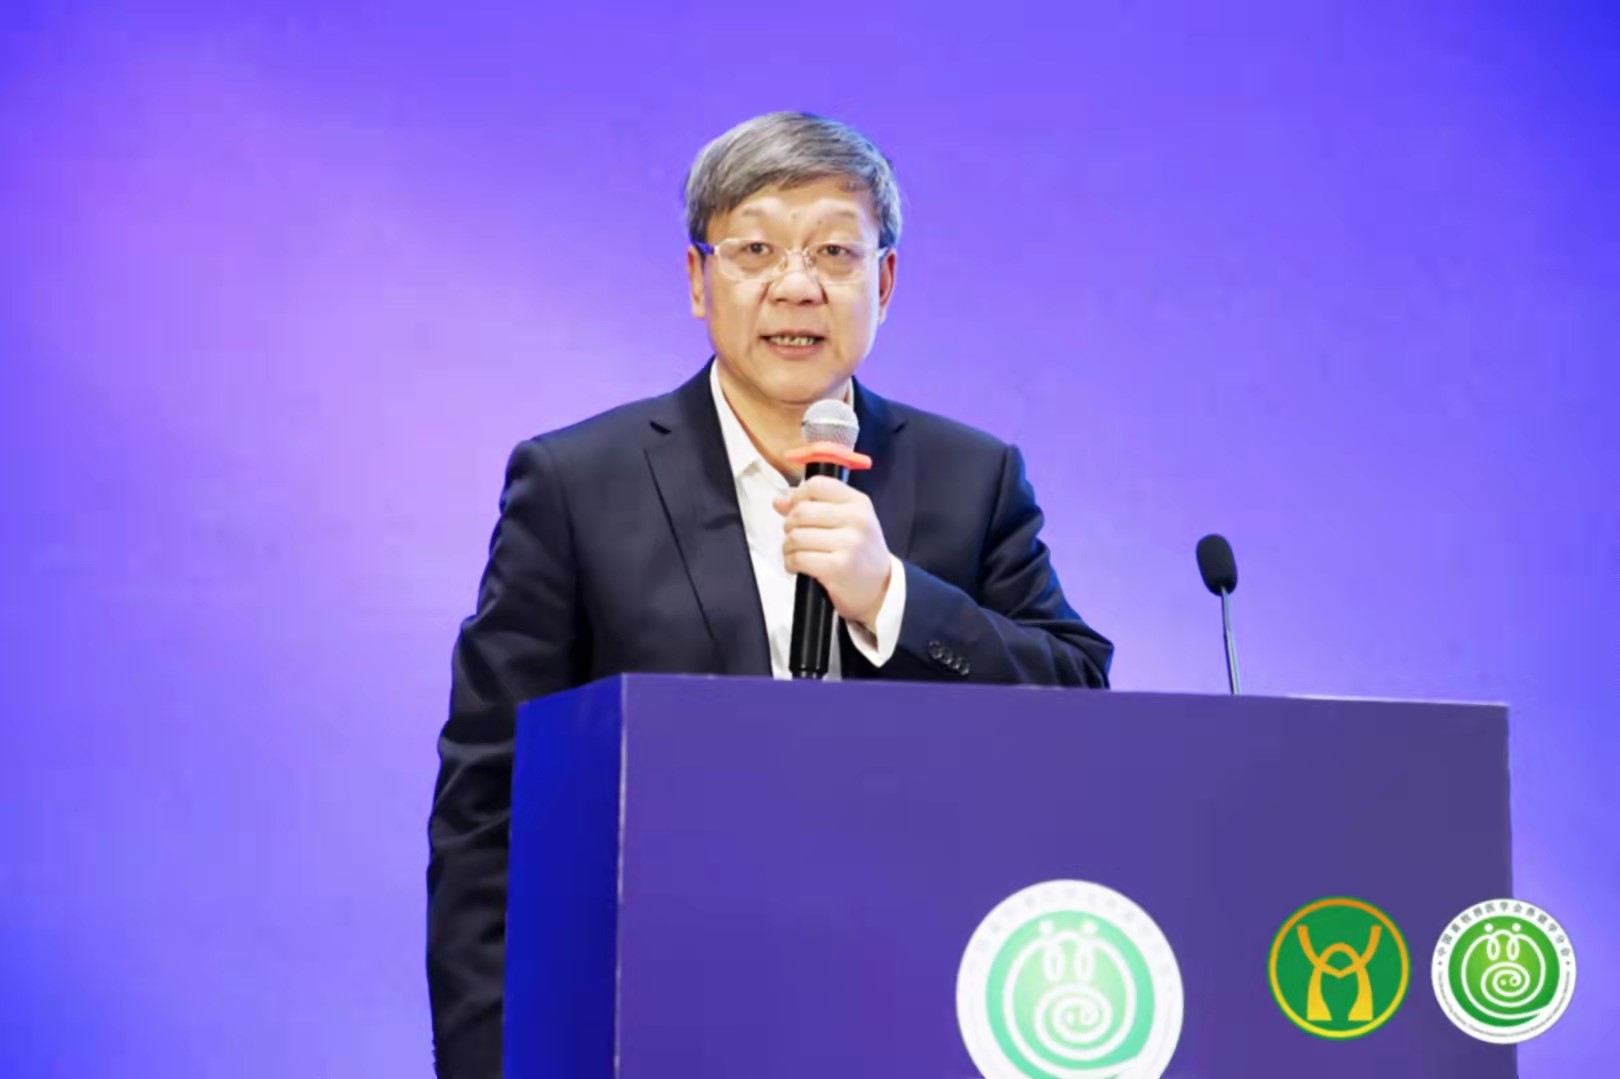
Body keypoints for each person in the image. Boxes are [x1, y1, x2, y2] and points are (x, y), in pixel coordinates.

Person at [426, 111, 1113, 1077]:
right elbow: (490, 807)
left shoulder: (975, 476)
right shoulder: (577, 483)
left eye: (834, 250)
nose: (797, 285)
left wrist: (892, 598)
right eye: (756, 250)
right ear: (697, 279)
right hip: (658, 1014)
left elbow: (1081, 707)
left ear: (884, 281)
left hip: (921, 1013)